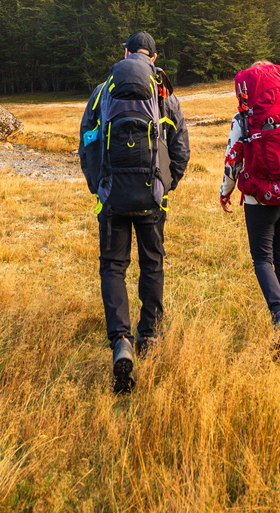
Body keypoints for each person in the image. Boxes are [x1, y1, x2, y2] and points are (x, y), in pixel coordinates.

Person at [79, 32, 190, 393]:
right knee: (152, 264)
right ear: (153, 58)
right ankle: (150, 336)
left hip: (112, 197)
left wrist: (99, 184)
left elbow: (87, 141)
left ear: (124, 52)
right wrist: (165, 184)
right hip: (151, 198)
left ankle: (121, 342)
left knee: (113, 266)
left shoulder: (102, 90)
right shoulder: (163, 93)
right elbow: (180, 148)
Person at [220, 60, 280, 356]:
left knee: (262, 259)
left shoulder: (245, 118)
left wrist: (225, 194)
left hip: (260, 200)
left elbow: (232, 161)